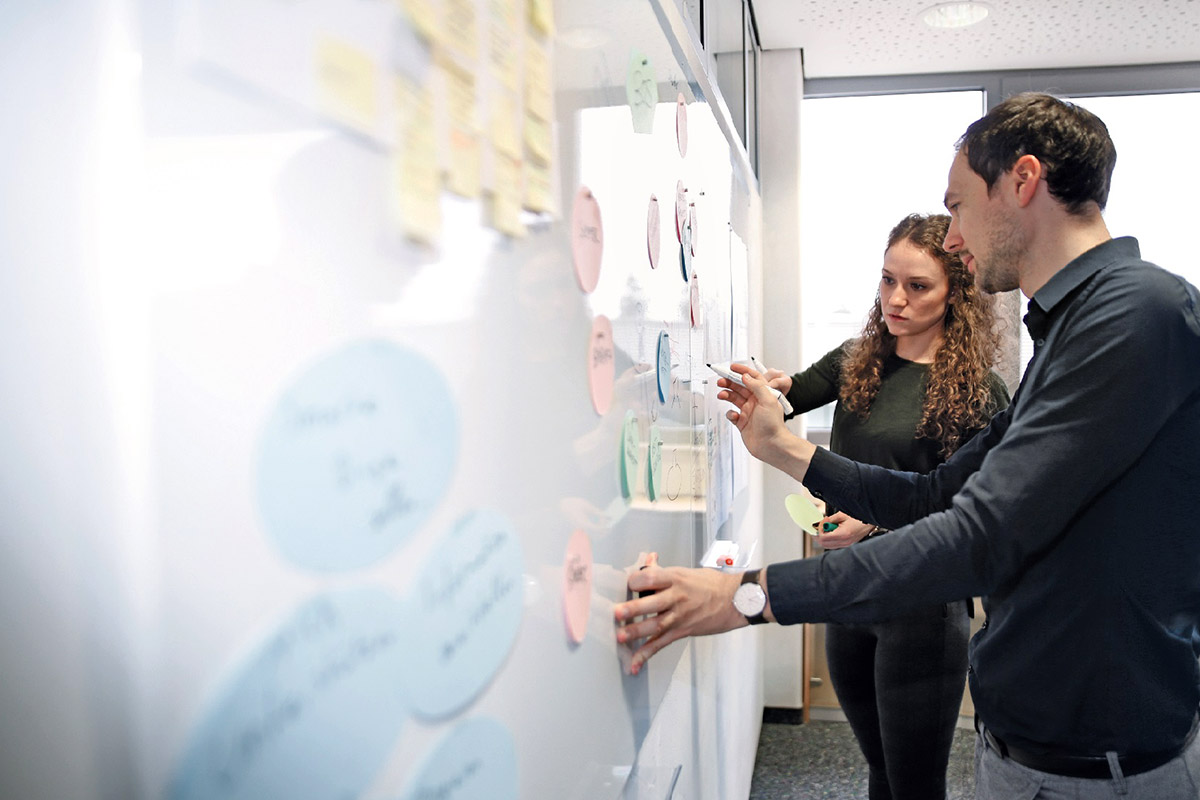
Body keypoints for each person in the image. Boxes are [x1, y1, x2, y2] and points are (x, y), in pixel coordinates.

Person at [614, 92, 1200, 800]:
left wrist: (747, 596)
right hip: (1030, 743)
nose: (953, 238)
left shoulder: (1135, 314)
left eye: (958, 206)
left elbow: (979, 535)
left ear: (1022, 180)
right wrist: (781, 449)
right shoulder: (1070, 329)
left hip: (1097, 763)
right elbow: (935, 495)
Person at [771, 212, 1009, 800]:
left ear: (955, 294)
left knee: (914, 784)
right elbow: (788, 394)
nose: (895, 299)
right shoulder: (858, 358)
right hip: (846, 592)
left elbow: (974, 515)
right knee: (879, 769)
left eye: (917, 286)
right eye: (887, 280)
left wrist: (872, 523)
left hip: (921, 605)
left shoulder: (980, 392)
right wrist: (762, 388)